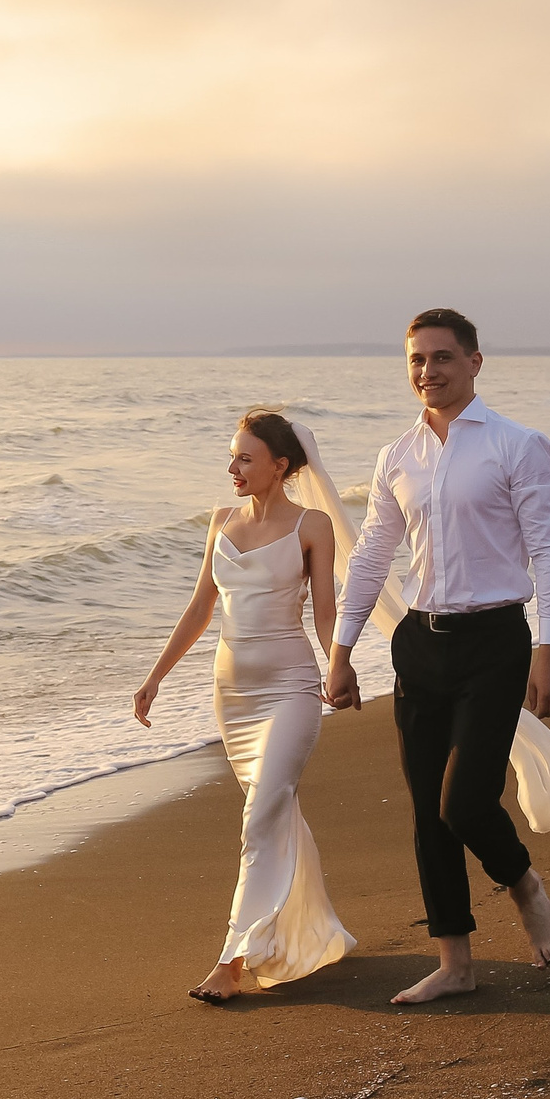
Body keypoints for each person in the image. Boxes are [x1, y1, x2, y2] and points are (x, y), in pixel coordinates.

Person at [323, 309, 550, 1004]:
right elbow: (372, 554)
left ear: (474, 362)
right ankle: (454, 963)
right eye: (416, 361)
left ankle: (523, 882)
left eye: (441, 358)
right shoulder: (397, 455)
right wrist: (341, 651)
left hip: (495, 641)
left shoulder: (518, 445)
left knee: (465, 802)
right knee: (427, 812)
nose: (427, 371)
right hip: (419, 646)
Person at [135, 409, 355, 1004]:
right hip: (232, 693)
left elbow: (326, 610)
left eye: (245, 457)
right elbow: (201, 606)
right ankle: (307, 933)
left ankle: (230, 962)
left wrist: (340, 663)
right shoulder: (221, 521)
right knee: (273, 813)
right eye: (232, 456)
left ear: (280, 466)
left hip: (289, 686)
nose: (232, 467)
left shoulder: (312, 525)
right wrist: (156, 676)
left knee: (261, 816)